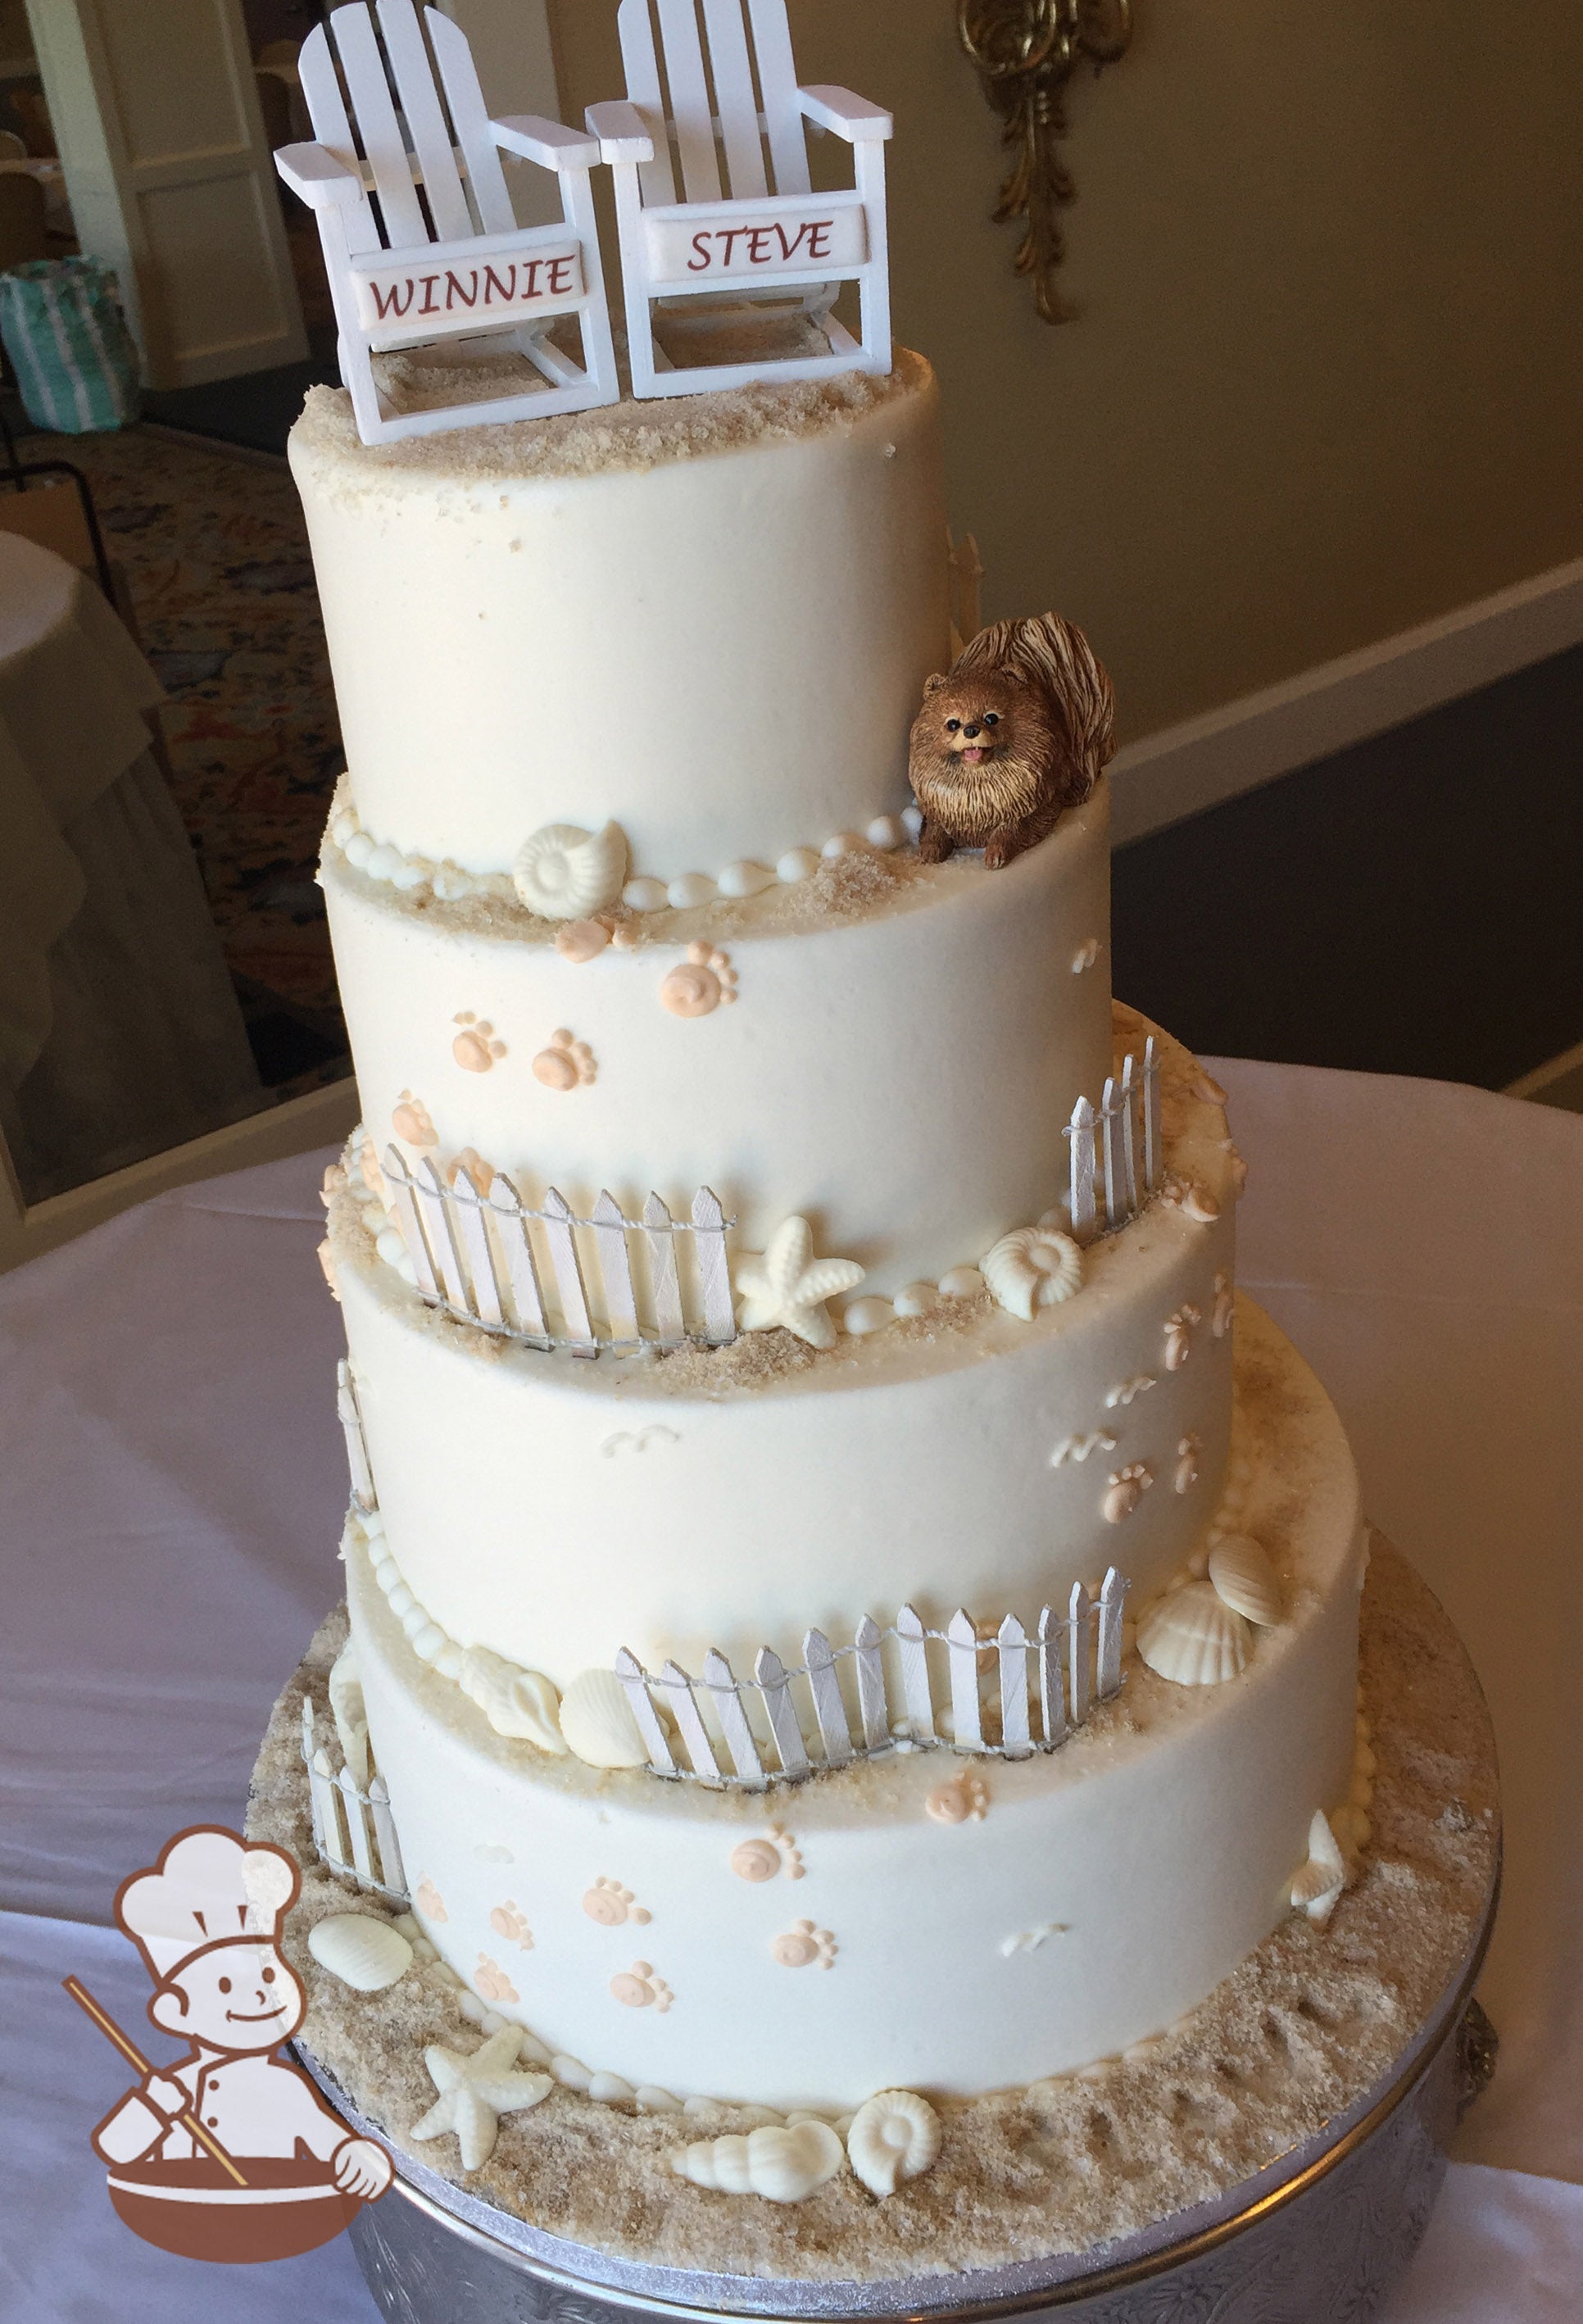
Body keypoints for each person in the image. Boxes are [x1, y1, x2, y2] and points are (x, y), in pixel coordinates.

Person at [91, 1825, 391, 2200]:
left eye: (266, 1976)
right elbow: (117, 2148)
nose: (257, 1996)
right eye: (225, 1986)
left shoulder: (285, 2086)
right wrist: (153, 2107)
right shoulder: (178, 2088)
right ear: (176, 2013)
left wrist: (352, 2156)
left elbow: (330, 2141)